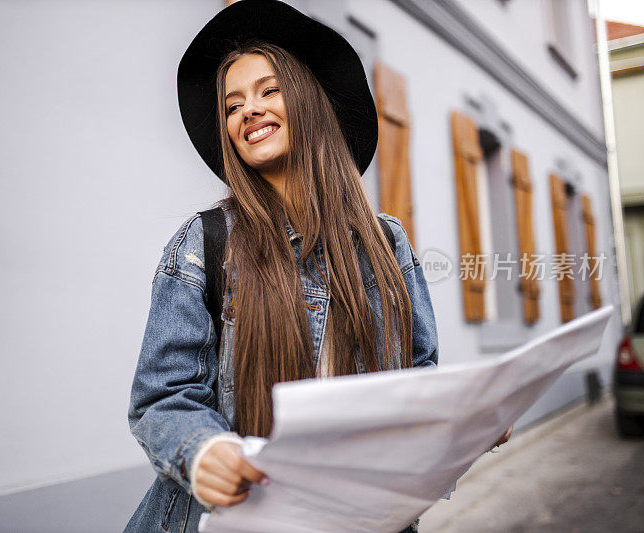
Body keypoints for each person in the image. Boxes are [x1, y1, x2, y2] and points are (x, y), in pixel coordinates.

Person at [125, 1, 509, 531]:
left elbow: (418, 382)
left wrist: (463, 421)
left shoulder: (387, 244)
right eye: (232, 105)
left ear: (306, 100)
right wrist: (204, 450)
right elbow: (161, 396)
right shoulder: (202, 244)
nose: (248, 111)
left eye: (268, 90)